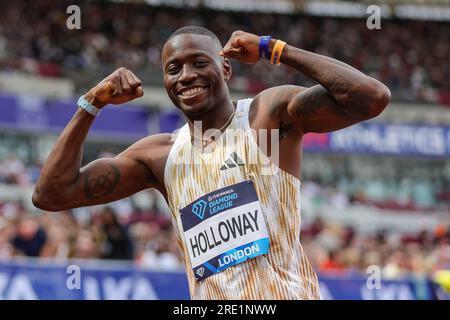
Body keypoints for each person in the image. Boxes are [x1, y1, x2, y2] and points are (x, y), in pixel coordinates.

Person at [32, 26, 390, 299]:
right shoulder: (161, 155)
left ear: (226, 69)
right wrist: (92, 102)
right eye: (174, 69)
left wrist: (272, 48)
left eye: (199, 63)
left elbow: (370, 98)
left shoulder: (266, 118)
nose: (186, 75)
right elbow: (51, 194)